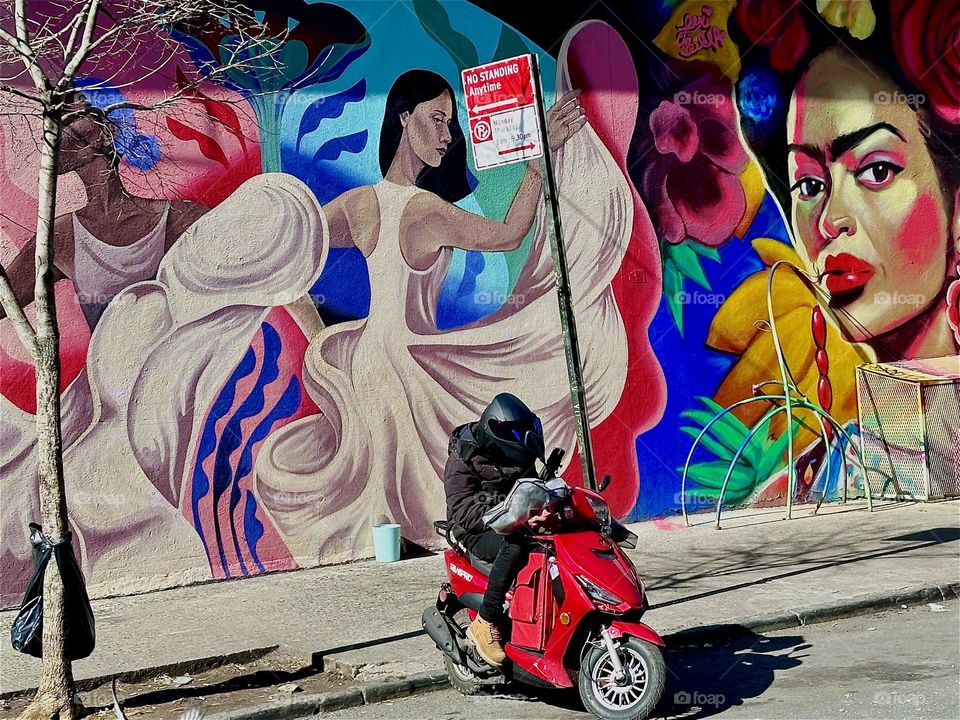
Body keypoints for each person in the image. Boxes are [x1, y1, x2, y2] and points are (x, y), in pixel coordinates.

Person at [252, 64, 633, 561]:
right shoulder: (423, 210)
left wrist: (321, 335)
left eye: (451, 122)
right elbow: (509, 236)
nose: (448, 134)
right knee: (450, 485)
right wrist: (538, 166)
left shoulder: (358, 203)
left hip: (371, 361)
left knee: (392, 492)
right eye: (437, 119)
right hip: (408, 372)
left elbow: (289, 257)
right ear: (404, 117)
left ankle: (408, 573)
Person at [0, 101, 209, 330]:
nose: (54, 130)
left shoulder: (184, 217)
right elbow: (4, 300)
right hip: (106, 367)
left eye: (69, 120)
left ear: (106, 133)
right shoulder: (61, 236)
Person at [443, 393, 559, 666]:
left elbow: (531, 489)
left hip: (512, 520)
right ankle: (488, 619)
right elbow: (464, 513)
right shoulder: (461, 462)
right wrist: (517, 518)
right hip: (473, 529)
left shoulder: (517, 453)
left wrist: (547, 505)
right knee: (516, 545)